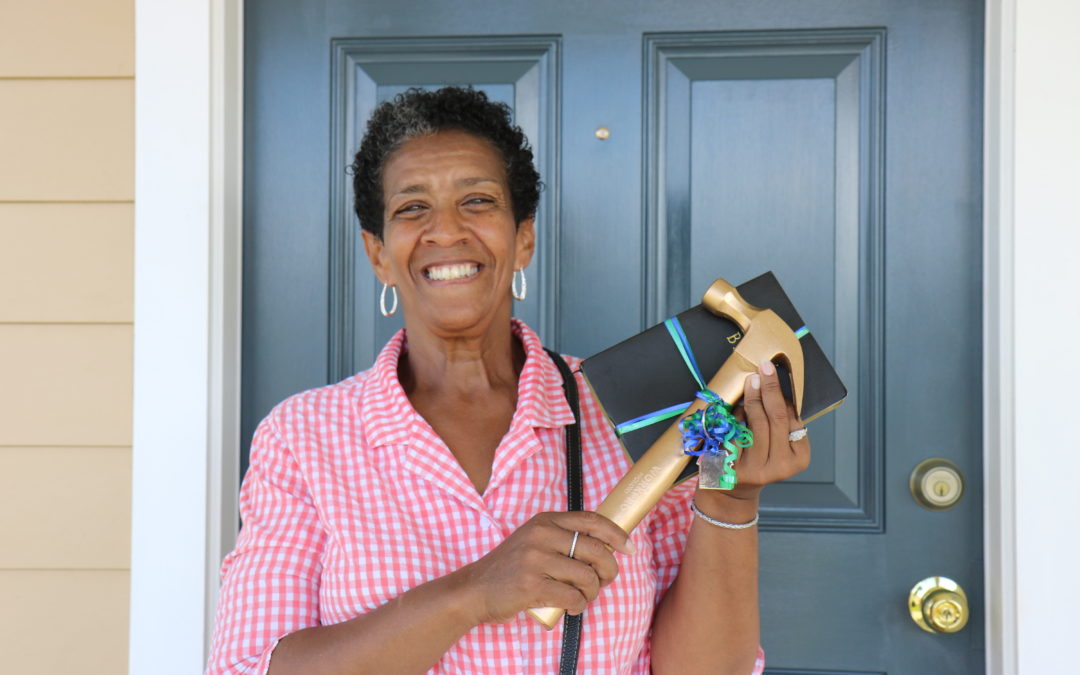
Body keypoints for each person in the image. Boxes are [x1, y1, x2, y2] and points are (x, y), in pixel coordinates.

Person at [206, 86, 810, 675]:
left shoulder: (630, 412)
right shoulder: (304, 438)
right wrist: (471, 593)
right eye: (412, 207)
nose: (446, 231)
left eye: (477, 201)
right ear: (378, 254)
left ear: (523, 238)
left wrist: (729, 501)